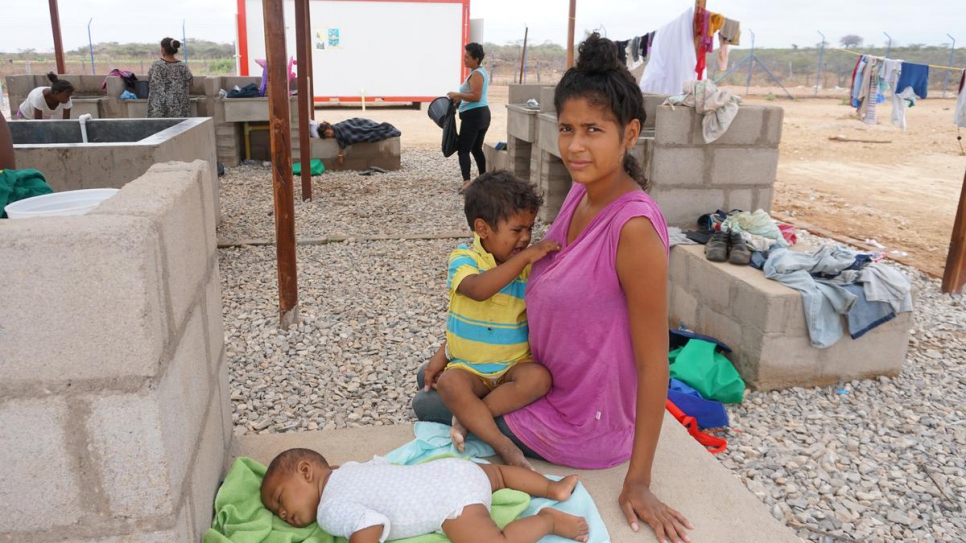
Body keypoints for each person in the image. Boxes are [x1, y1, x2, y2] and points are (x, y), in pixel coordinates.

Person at [414, 33, 693, 543]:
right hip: (533, 371)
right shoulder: (580, 196)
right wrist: (449, 347)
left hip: (580, 416)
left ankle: (498, 434)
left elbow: (655, 360)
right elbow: (517, 285)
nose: (575, 145)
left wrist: (639, 480)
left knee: (428, 402)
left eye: (593, 129)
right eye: (566, 128)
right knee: (433, 375)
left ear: (630, 133)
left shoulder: (632, 228)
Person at [425, 170, 559, 470]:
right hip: (470, 368)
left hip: (513, 365)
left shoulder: (527, 269)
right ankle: (503, 445)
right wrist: (441, 357)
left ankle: (470, 418)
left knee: (539, 378)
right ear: (483, 229)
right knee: (449, 384)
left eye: (531, 228)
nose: (526, 238)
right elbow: (477, 292)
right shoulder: (464, 259)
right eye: (517, 230)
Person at [260, 448, 590, 542]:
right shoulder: (346, 470)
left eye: (279, 500)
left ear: (306, 472)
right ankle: (551, 486)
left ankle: (546, 521)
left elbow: (370, 523)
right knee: (498, 475)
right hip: (450, 470)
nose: (282, 514)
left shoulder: (329, 509)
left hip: (450, 504)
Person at [447, 42, 490, 193]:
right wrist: (460, 100)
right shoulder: (479, 72)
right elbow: (473, 95)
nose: (464, 59)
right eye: (464, 56)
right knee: (476, 148)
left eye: (467, 57)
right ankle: (484, 180)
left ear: (476, 59)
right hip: (481, 115)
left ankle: (467, 182)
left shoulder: (477, 74)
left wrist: (457, 94)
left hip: (474, 116)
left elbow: (476, 96)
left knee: (463, 149)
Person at [315, 118, 401, 166]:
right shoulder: (337, 134)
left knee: (371, 131)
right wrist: (340, 156)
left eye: (328, 133)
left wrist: (340, 156)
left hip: (359, 123)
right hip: (357, 126)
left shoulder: (338, 128)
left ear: (329, 127)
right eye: (326, 136)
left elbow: (351, 130)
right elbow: (342, 143)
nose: (329, 135)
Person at [147, 37, 193, 118]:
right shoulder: (182, 66)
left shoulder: (157, 65)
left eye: (161, 48)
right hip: (179, 109)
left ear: (163, 49)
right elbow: (190, 83)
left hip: (159, 109)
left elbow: (150, 79)